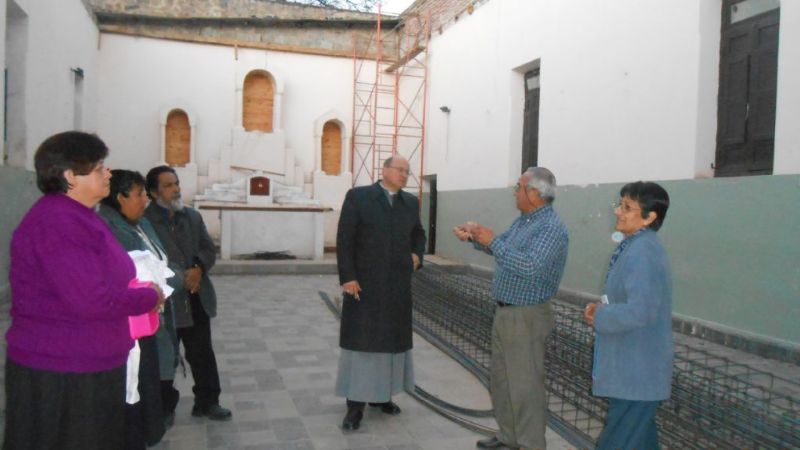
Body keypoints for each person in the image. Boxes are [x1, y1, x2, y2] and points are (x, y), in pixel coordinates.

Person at [4, 131, 164, 450]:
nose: (107, 173)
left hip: (85, 361)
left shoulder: (78, 217)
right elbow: (89, 299)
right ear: (69, 177)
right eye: (98, 167)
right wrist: (150, 296)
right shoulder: (58, 222)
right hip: (64, 370)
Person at [454, 167, 569, 450]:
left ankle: (530, 444)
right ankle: (509, 437)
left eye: (518, 187)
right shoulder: (525, 221)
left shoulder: (551, 228)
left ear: (534, 193)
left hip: (526, 315)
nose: (514, 192)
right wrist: (477, 237)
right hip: (506, 312)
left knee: (525, 386)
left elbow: (529, 267)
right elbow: (503, 249)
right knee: (503, 381)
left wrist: (492, 240)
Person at [335, 156, 426, 431]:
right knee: (363, 345)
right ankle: (355, 406)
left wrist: (416, 256)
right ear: (384, 170)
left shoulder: (410, 203)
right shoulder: (359, 197)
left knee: (391, 345)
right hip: (365, 286)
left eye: (407, 172)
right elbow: (344, 239)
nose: (404, 175)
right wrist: (348, 276)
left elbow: (418, 235)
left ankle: (382, 397)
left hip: (397, 287)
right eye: (400, 170)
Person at [584, 181, 672, 450]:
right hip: (632, 369)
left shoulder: (643, 250)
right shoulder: (635, 245)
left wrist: (601, 316)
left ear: (649, 217)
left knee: (617, 442)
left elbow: (642, 310)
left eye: (627, 207)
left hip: (637, 370)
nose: (618, 212)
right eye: (620, 205)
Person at [98, 169, 182, 448]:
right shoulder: (109, 229)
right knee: (134, 390)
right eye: (139, 194)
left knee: (151, 381)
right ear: (119, 197)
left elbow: (160, 260)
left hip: (154, 314)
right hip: (132, 325)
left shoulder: (141, 223)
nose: (145, 199)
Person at [143, 166, 232, 421]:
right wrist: (183, 276)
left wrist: (199, 268)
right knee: (165, 355)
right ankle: (164, 407)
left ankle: (207, 401)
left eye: (177, 183)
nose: (176, 189)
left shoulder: (191, 217)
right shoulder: (145, 222)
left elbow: (207, 248)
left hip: (196, 296)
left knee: (202, 353)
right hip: (165, 301)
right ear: (153, 192)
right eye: (169, 185)